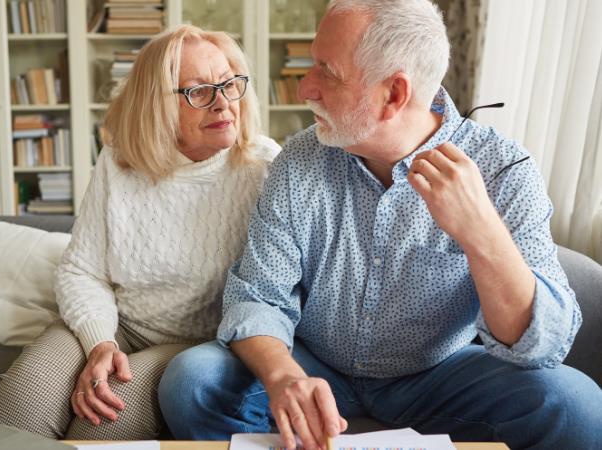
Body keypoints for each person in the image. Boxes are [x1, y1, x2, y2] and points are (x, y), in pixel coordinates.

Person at [158, 1, 602, 449]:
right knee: (191, 382)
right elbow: (257, 296)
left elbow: (543, 346)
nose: (304, 88)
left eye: (326, 72)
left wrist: (481, 233)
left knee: (578, 406)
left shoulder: (503, 169)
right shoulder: (299, 161)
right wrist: (283, 376)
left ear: (393, 94)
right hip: (316, 364)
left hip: (440, 375)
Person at [0, 24, 280, 440]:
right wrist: (100, 344)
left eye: (230, 84)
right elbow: (82, 271)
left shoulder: (265, 166)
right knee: (22, 400)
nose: (222, 103)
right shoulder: (119, 160)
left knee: (100, 421)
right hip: (119, 325)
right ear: (157, 105)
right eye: (198, 91)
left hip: (198, 346)